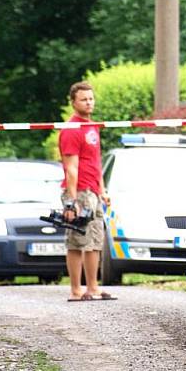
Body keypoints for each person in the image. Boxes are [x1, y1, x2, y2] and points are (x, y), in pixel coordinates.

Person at [59, 81, 113, 302]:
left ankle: (93, 287)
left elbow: (96, 162)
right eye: (84, 99)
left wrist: (102, 190)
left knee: (95, 241)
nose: (89, 102)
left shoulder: (93, 126)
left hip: (93, 192)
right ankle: (75, 290)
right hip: (79, 191)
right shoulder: (71, 129)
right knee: (77, 241)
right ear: (73, 102)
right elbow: (71, 168)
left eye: (91, 98)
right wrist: (72, 202)